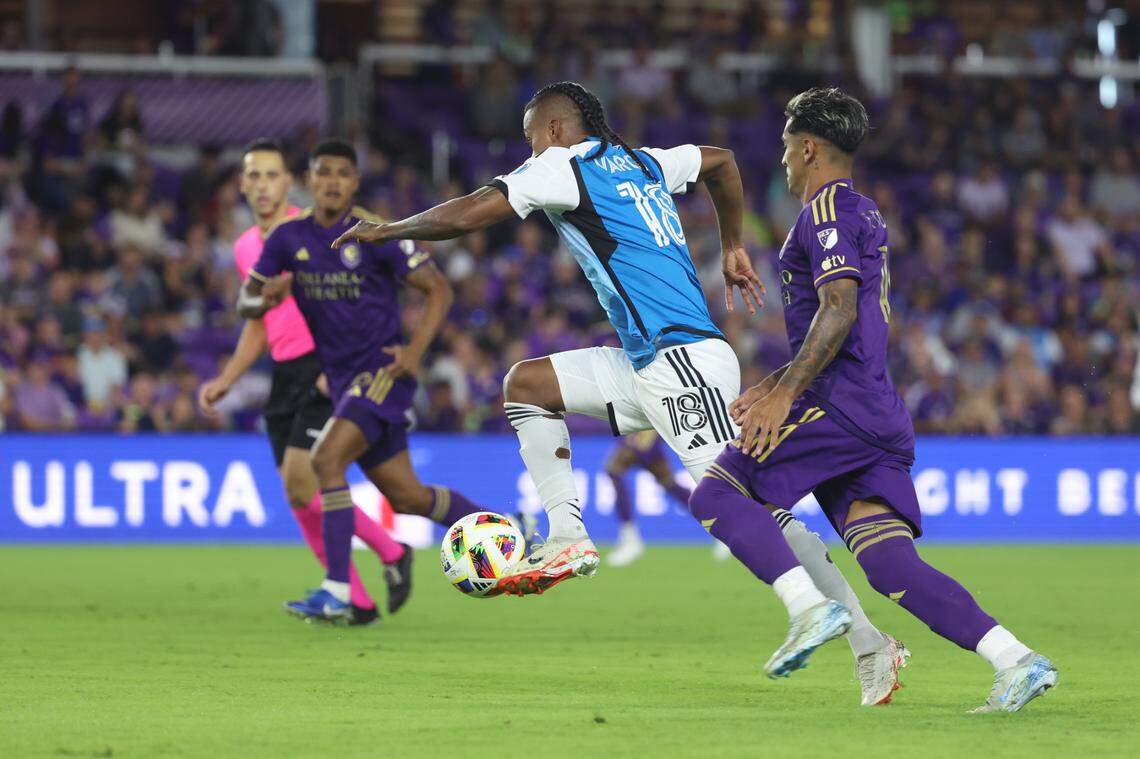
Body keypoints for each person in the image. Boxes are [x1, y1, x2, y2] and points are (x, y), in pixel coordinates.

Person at [333, 82, 906, 706]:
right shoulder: (642, 161)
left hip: (681, 361)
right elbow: (721, 162)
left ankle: (846, 629)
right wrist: (733, 243)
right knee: (526, 387)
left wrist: (388, 231)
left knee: (744, 504)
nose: (527, 151)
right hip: (648, 364)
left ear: (553, 129)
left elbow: (472, 211)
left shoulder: (561, 164)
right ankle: (567, 536)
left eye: (530, 137)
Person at [689, 87, 1057, 711]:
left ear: (808, 148)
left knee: (717, 492)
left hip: (839, 405)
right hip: (875, 409)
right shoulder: (863, 209)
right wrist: (778, 381)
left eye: (785, 149)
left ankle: (809, 612)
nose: (782, 161)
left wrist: (787, 394)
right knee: (889, 566)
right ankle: (1016, 660)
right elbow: (844, 319)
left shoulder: (825, 212)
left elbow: (836, 310)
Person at [238, 139, 488, 623]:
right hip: (341, 383)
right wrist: (264, 300)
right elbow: (245, 302)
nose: (331, 181)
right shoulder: (287, 240)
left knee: (325, 459)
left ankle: (338, 590)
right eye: (323, 171)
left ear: (354, 183)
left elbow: (437, 288)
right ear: (310, 180)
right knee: (408, 496)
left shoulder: (377, 233)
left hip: (381, 375)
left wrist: (413, 354)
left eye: (342, 173)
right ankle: (507, 528)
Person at [202, 139, 411, 625]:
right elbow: (259, 323)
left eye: (272, 175)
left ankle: (383, 556)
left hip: (324, 367)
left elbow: (352, 305)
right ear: (242, 184)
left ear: (290, 181)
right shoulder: (246, 247)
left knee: (305, 478)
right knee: (298, 494)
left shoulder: (312, 231)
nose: (262, 186)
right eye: (253, 176)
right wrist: (227, 379)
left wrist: (333, 371)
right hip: (285, 374)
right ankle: (357, 598)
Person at [603, 431, 691, 567]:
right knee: (669, 484)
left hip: (646, 430)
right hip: (638, 428)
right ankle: (720, 523)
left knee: (616, 470)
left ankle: (631, 540)